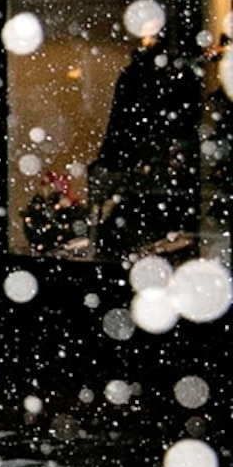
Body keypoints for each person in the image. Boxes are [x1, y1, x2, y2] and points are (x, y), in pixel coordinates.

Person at [90, 14, 206, 273]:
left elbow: (122, 122)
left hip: (153, 173)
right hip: (155, 173)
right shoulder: (157, 75)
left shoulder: (148, 76)